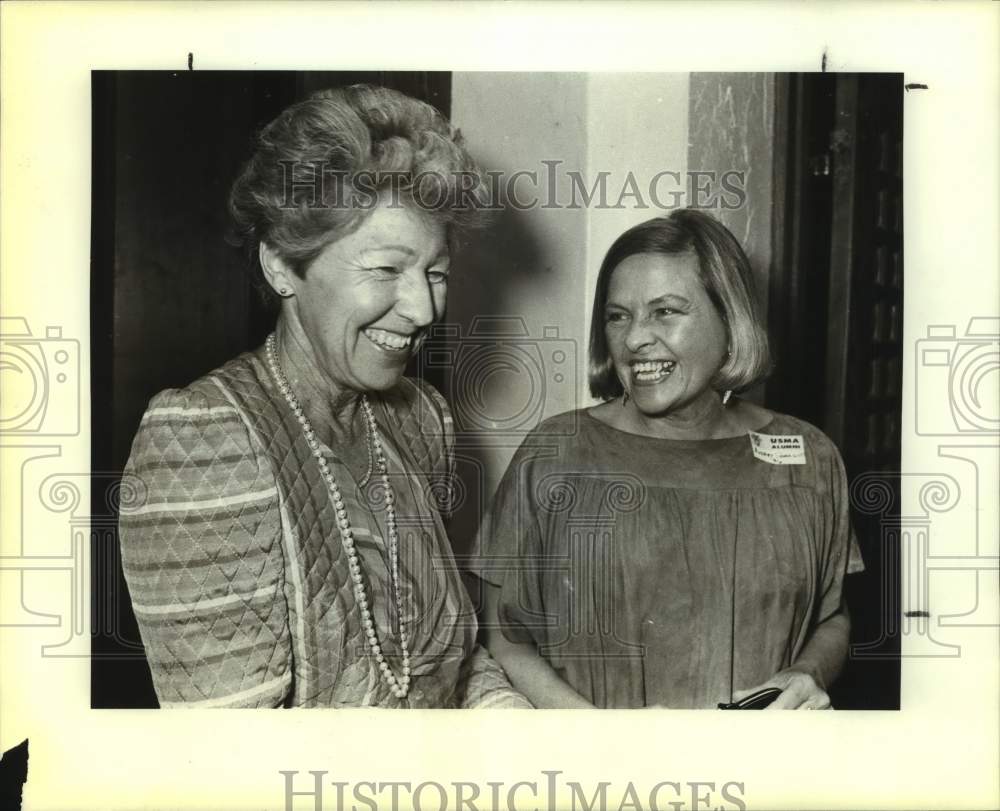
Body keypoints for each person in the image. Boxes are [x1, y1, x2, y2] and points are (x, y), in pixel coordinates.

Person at [118, 85, 529, 709]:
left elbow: (453, 663)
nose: (423, 309)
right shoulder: (204, 440)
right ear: (282, 264)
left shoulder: (420, 418)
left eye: (436, 272)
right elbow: (232, 769)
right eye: (387, 270)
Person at [476, 209, 864, 709]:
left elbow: (831, 614)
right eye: (618, 316)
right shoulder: (557, 453)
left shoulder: (810, 457)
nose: (635, 338)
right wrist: (597, 735)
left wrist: (808, 673)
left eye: (665, 311)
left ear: (731, 317)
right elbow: (504, 634)